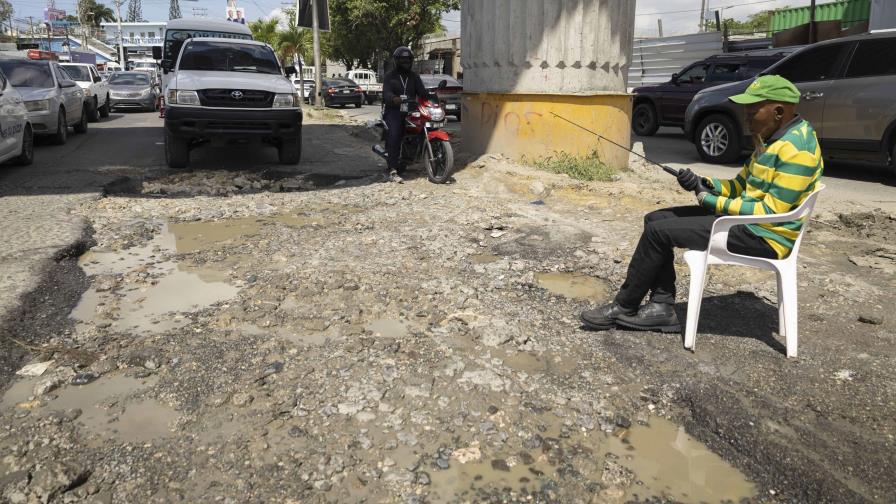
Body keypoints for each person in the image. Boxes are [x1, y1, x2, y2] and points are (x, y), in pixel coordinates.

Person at [581, 75, 823, 333]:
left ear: (778, 111)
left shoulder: (797, 150)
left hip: (763, 236)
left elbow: (769, 212)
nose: (746, 117)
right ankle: (661, 306)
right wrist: (703, 182)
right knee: (655, 219)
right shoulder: (772, 140)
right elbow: (740, 186)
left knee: (657, 233)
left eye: (753, 111)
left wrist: (711, 201)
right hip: (746, 225)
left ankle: (624, 305)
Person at [381, 46, 433, 183]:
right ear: (397, 61)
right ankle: (392, 169)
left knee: (424, 126)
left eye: (408, 59)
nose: (406, 62)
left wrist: (434, 97)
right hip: (394, 110)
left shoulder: (414, 77)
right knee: (395, 133)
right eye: (403, 60)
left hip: (411, 109)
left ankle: (417, 154)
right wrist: (393, 98)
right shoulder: (390, 77)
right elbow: (386, 93)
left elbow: (422, 93)